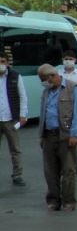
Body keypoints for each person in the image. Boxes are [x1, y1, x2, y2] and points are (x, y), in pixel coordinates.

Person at [37, 64, 77, 212]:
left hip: (66, 134)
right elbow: (43, 114)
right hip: (49, 135)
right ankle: (53, 200)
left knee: (68, 169)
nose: (45, 83)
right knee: (50, 170)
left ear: (52, 76)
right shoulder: (46, 92)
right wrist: (41, 135)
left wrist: (75, 134)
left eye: (45, 80)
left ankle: (69, 201)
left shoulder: (73, 88)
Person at [0, 53, 28, 187]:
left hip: (10, 118)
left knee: (15, 149)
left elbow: (22, 96)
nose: (1, 64)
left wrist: (23, 115)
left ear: (7, 63)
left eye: (2, 61)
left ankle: (17, 175)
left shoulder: (15, 76)